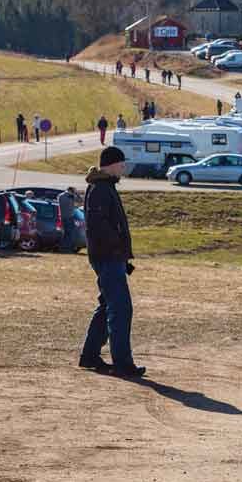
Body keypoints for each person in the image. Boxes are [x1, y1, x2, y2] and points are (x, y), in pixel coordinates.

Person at [79, 146, 144, 378]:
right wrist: (118, 250)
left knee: (107, 306)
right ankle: (123, 363)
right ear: (111, 164)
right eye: (121, 164)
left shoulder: (105, 187)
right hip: (107, 258)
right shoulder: (99, 189)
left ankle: (89, 356)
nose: (123, 168)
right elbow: (99, 228)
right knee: (121, 309)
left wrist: (123, 256)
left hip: (111, 257)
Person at [58, 186, 77, 253]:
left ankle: (65, 248)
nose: (74, 193)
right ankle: (66, 248)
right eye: (73, 192)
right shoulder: (65, 196)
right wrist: (73, 197)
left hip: (67, 216)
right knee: (69, 233)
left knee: (67, 233)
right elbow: (67, 205)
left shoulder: (62, 196)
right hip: (67, 216)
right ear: (70, 191)